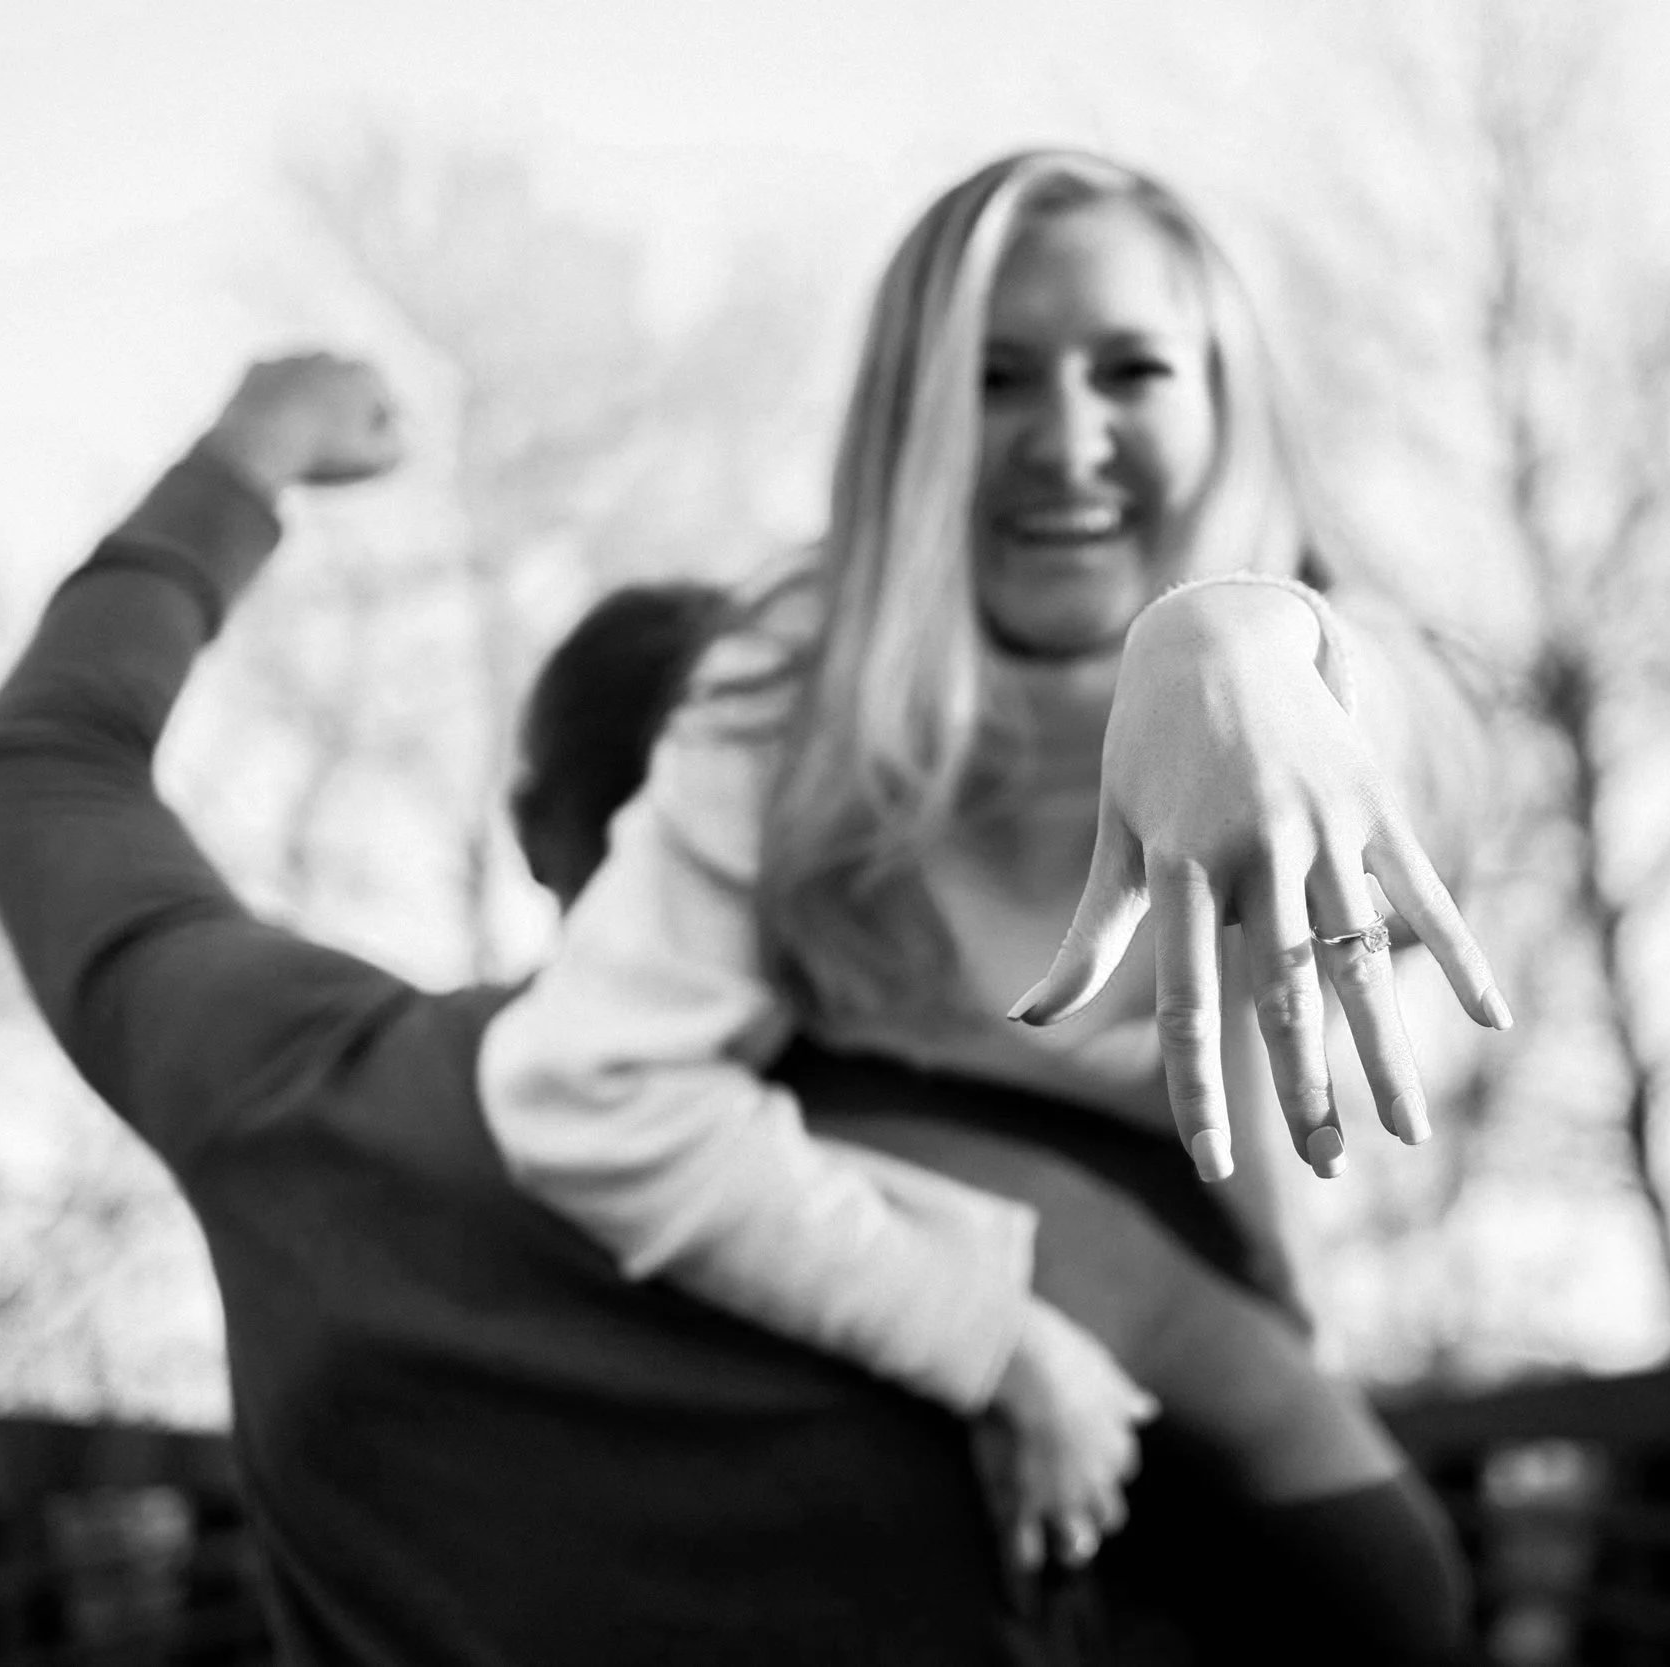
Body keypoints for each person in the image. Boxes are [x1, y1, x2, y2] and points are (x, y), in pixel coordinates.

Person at [0, 358, 1242, 1665]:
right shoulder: (1006, 1182)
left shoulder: (301, 1083)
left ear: (529, 829)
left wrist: (245, 457)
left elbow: (47, 764)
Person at [479, 149, 1509, 1658]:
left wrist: (1243, 647)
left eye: (1133, 370)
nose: (1067, 439)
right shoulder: (787, 685)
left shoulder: (1312, 666)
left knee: (1391, 1597)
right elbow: (586, 1084)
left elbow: (1426, 759)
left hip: (1189, 1251)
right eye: (998, 377)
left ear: (1223, 404)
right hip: (886, 1208)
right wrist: (990, 1341)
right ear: (911, 420)